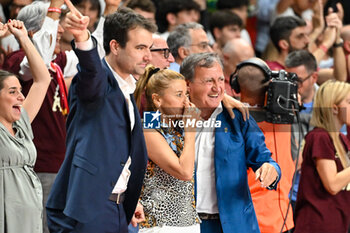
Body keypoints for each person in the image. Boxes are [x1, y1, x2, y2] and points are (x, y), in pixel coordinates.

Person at [46, 3, 157, 233]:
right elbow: (91, 70)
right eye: (140, 47)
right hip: (87, 212)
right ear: (115, 46)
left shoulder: (128, 88)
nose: (148, 56)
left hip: (119, 210)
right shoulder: (97, 83)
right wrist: (83, 38)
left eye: (150, 47)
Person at [180, 52, 281, 233]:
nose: (217, 88)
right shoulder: (169, 117)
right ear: (187, 84)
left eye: (220, 80)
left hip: (233, 225)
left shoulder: (239, 117)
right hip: (183, 224)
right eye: (208, 81)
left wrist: (271, 169)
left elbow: (264, 159)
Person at [134, 66, 201, 232]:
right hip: (161, 223)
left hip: (188, 220)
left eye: (186, 94)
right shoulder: (148, 127)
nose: (185, 101)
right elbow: (184, 172)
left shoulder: (178, 126)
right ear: (157, 100)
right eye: (179, 95)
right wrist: (191, 131)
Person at [232, 58, 295, 232]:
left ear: (235, 86)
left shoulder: (230, 121)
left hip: (248, 219)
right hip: (279, 219)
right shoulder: (285, 117)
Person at [0, 19, 51, 233]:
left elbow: (42, 80)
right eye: (12, 92)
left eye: (20, 90)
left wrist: (23, 38)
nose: (21, 97)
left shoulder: (21, 123)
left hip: (30, 221)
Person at [294, 80, 350, 233]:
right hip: (317, 223)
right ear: (334, 108)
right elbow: (332, 185)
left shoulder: (342, 138)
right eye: (349, 102)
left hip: (337, 220)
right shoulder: (320, 137)